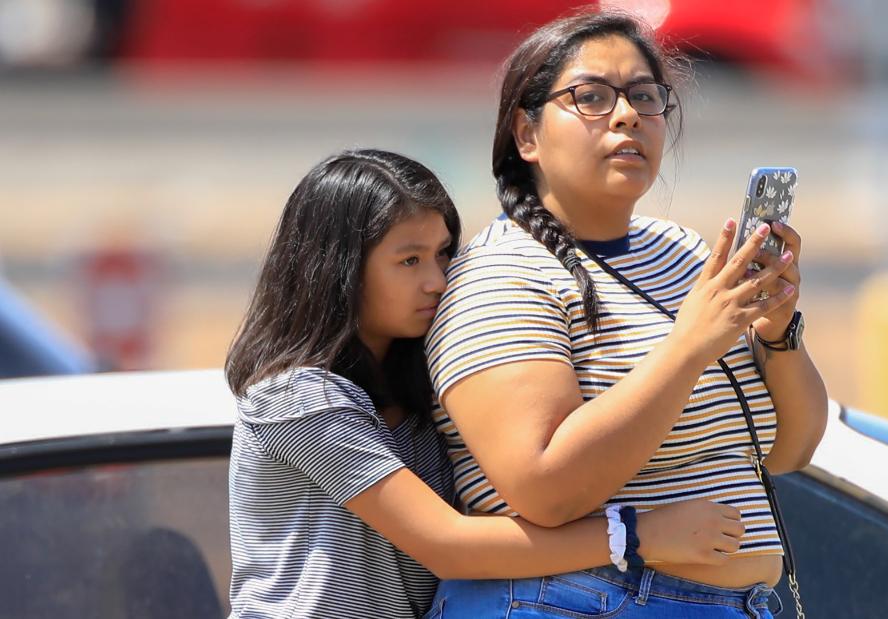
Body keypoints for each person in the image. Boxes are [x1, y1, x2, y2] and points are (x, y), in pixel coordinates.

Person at [223, 149, 747, 619]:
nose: (436, 279)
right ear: (337, 270)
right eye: (409, 260)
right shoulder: (296, 396)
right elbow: (447, 544)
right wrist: (638, 535)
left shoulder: (423, 387)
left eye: (444, 253)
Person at [425, 10, 829, 618]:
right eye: (590, 97)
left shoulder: (683, 250)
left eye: (645, 96)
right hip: (577, 601)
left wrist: (778, 333)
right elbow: (546, 489)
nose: (626, 115)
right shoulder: (502, 272)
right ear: (526, 135)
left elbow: (788, 450)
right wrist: (690, 345)